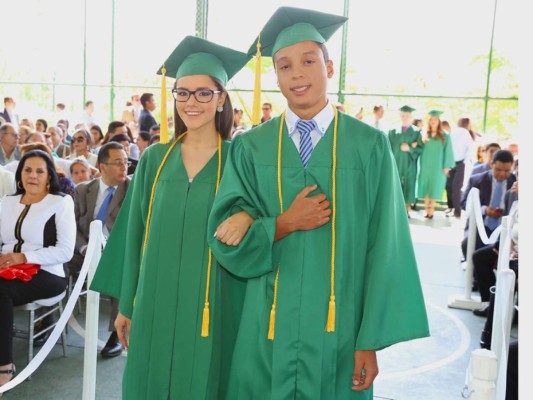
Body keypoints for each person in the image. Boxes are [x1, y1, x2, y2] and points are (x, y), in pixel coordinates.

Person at [207, 7, 429, 399]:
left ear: (328, 66)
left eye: (308, 61)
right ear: (275, 76)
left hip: (340, 330)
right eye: (284, 65)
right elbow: (222, 232)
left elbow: (386, 248)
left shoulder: (369, 146)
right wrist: (276, 223)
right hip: (267, 326)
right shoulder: (251, 146)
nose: (296, 73)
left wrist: (369, 340)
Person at [90, 36, 251, 399]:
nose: (191, 102)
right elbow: (133, 236)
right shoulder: (154, 160)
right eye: (183, 92)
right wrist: (128, 304)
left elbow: (253, 221)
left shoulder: (238, 159)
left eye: (204, 93)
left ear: (222, 97)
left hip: (213, 299)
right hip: (154, 300)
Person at [0, 149, 75, 388]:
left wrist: (24, 256)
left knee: (0, 290)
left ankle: (4, 365)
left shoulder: (60, 202)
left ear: (49, 177)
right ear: (20, 174)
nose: (33, 176)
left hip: (48, 273)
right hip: (8, 268)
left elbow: (65, 251)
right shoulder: (7, 201)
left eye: (39, 171)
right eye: (28, 170)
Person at [67, 142, 131, 358]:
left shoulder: (132, 190)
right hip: (84, 250)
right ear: (102, 167)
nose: (125, 167)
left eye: (126, 162)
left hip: (115, 251)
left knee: (124, 269)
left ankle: (117, 333)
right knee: (56, 262)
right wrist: (84, 248)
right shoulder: (83, 190)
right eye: (118, 163)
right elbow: (72, 226)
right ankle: (48, 316)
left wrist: (110, 249)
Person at [460, 149, 516, 261]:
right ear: (491, 164)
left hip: (504, 229)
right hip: (481, 226)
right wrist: (485, 210)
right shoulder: (477, 180)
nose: (502, 174)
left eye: (507, 171)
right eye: (498, 169)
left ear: (512, 168)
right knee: (467, 245)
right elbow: (464, 203)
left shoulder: (515, 182)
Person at [416, 110, 455, 218]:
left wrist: (447, 166)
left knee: (434, 187)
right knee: (427, 188)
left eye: (435, 119)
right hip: (425, 165)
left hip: (438, 166)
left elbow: (448, 151)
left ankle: (431, 210)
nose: (433, 122)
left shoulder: (445, 136)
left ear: (439, 121)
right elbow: (418, 149)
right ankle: (426, 210)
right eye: (431, 120)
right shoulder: (423, 134)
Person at [387, 105, 424, 217]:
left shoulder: (417, 132)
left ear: (411, 116)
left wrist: (410, 148)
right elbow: (387, 148)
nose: (405, 117)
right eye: (403, 115)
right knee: (395, 184)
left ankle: (406, 210)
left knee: (409, 184)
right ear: (400, 116)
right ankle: (395, 210)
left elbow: (420, 148)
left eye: (407, 115)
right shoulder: (392, 131)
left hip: (409, 164)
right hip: (396, 163)